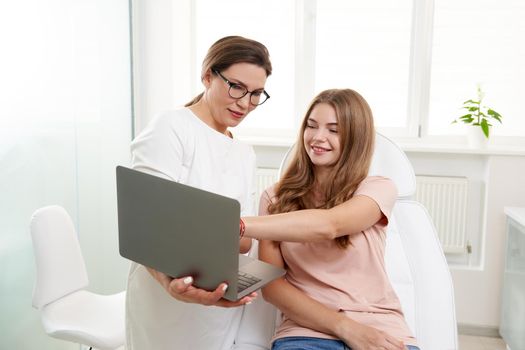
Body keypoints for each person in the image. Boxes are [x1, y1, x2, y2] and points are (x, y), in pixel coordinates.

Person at [241, 89, 419, 350]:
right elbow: (272, 287)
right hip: (306, 332)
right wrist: (345, 328)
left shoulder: (377, 189)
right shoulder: (275, 198)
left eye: (333, 130)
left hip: (379, 330)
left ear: (355, 137)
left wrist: (241, 225)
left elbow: (329, 225)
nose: (318, 137)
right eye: (311, 126)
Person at [126, 35, 272, 350]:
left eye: (257, 94)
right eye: (236, 87)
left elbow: (244, 241)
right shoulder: (172, 127)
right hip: (166, 304)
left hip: (217, 300)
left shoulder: (244, 153)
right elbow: (143, 223)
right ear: (208, 75)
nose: (245, 103)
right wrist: (168, 282)